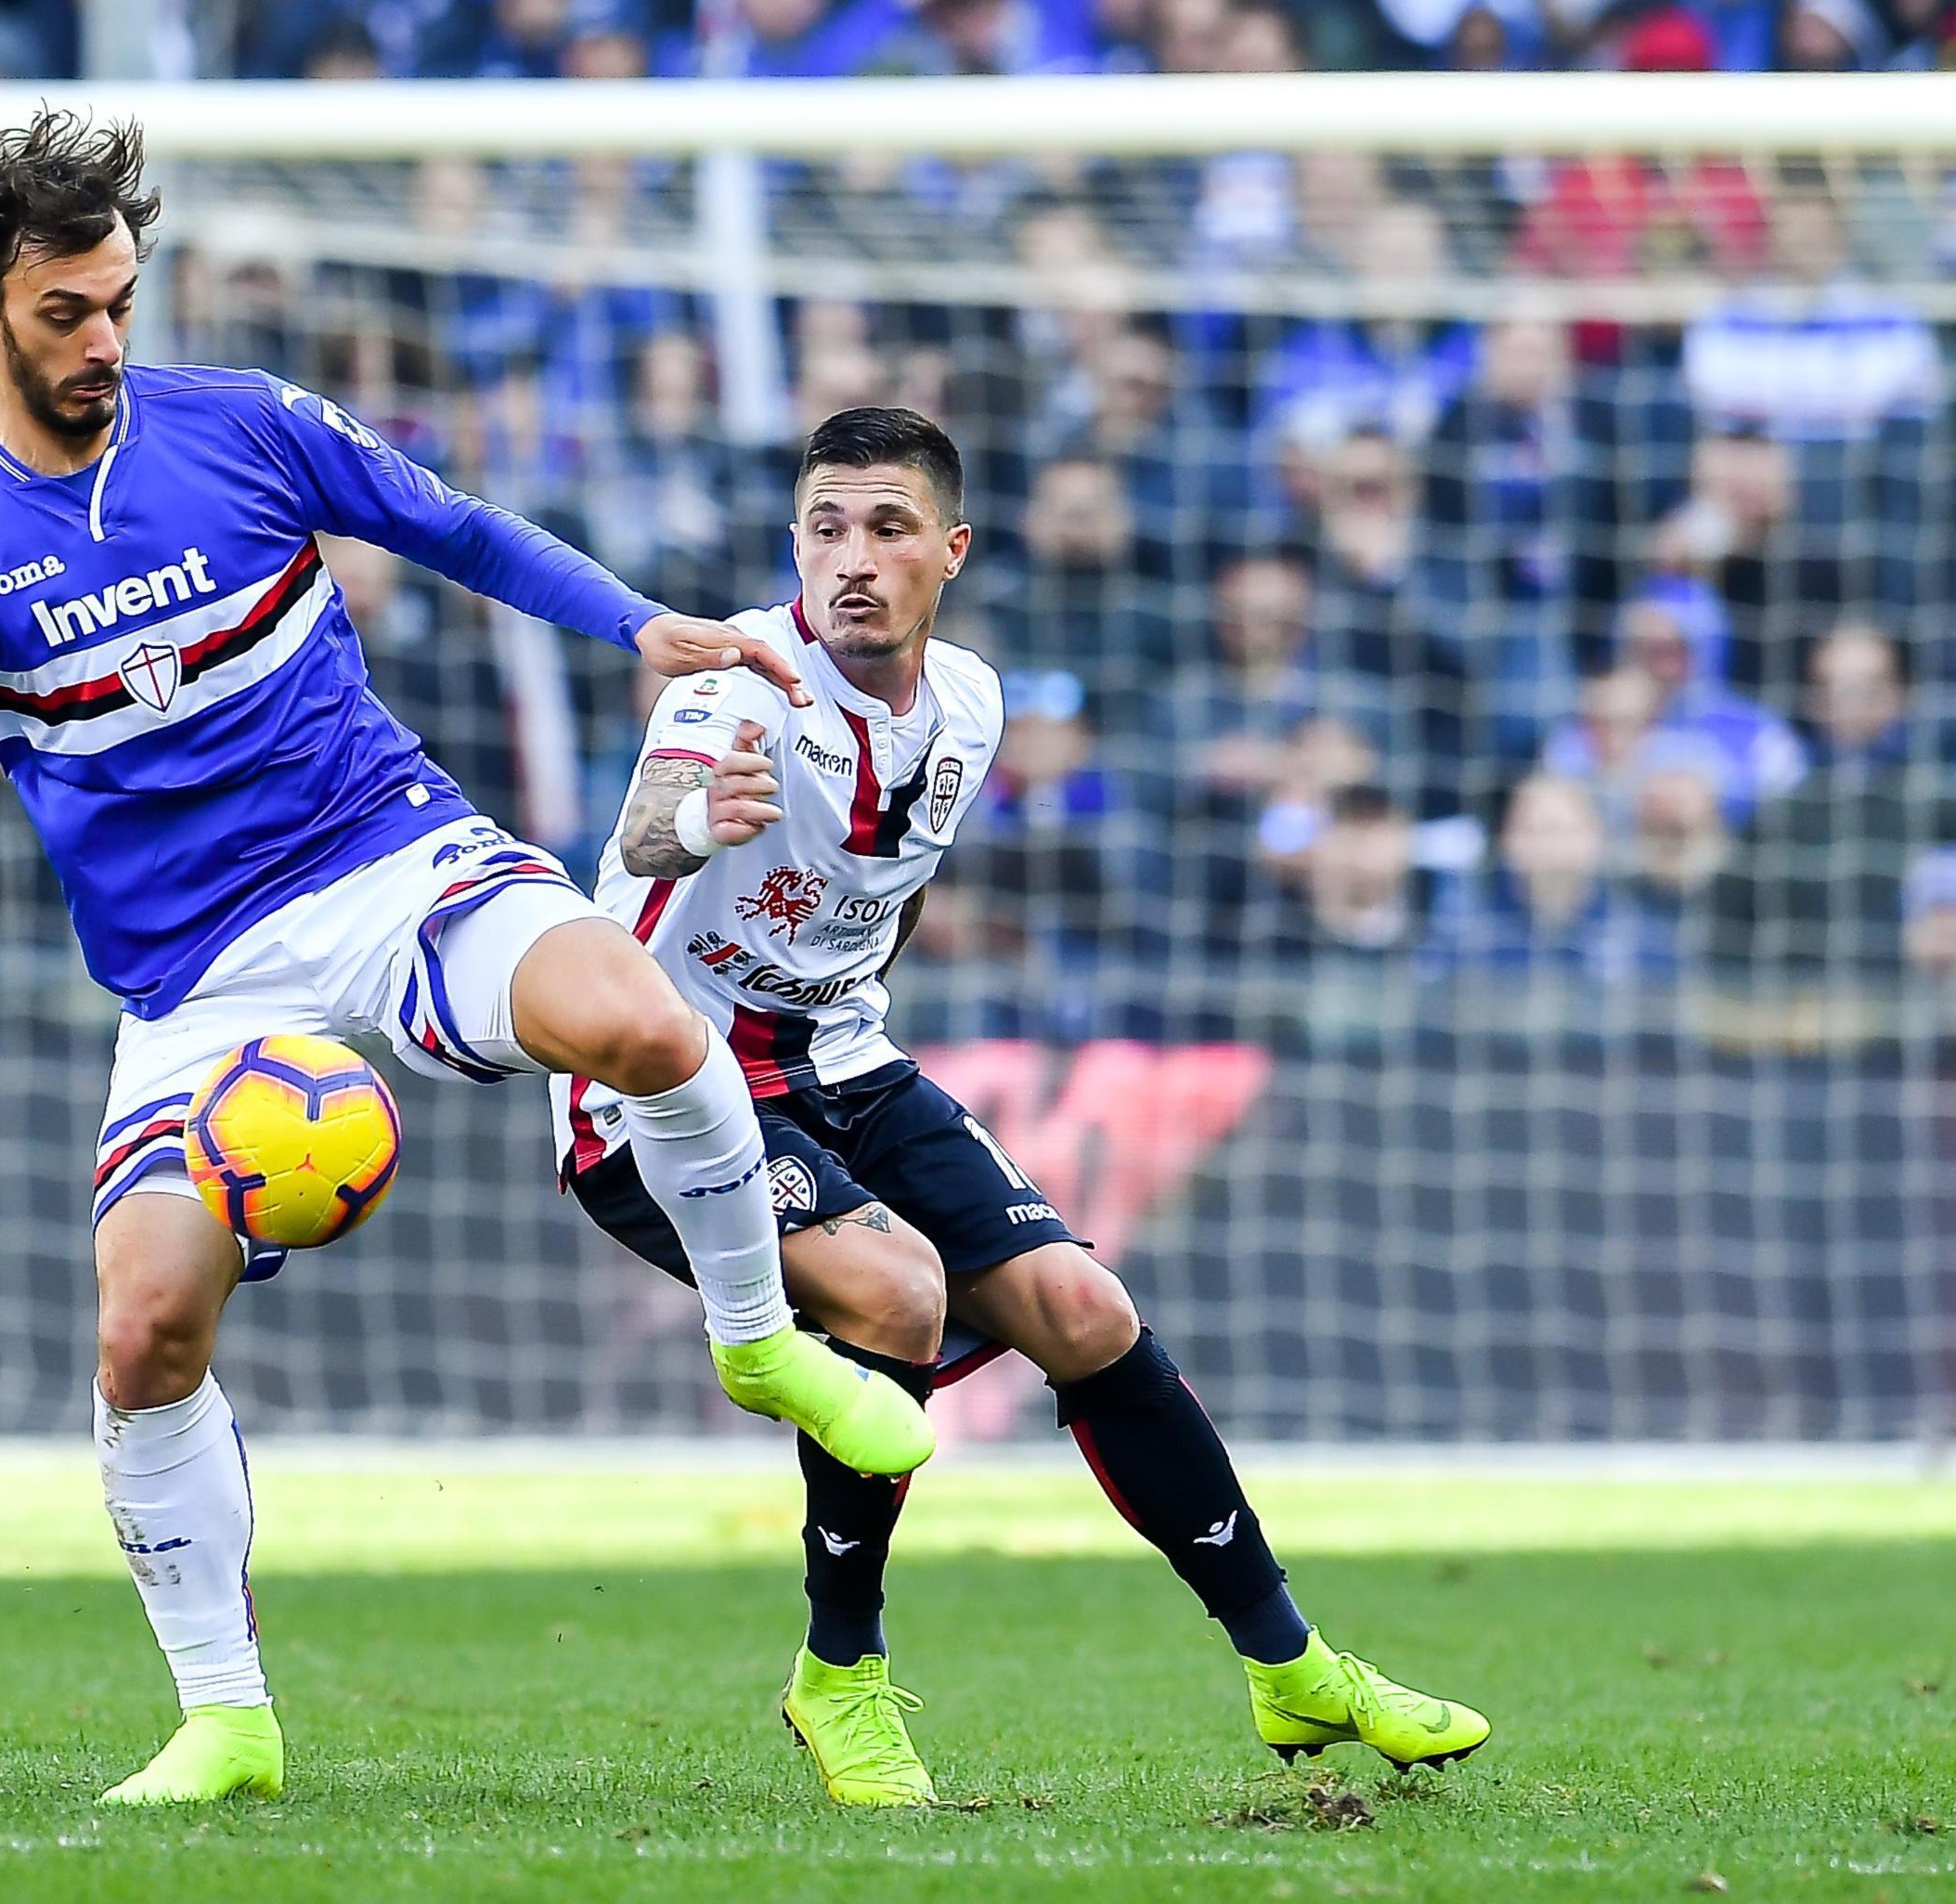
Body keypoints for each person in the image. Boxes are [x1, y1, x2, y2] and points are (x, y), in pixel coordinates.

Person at [0, 110, 935, 1808]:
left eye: (117, 303)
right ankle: (224, 1716)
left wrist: (635, 623)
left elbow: (450, 525)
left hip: (387, 859)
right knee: (147, 1326)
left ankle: (752, 1338)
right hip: (193, 983)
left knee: (643, 1022)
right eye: (64, 313)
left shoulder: (241, 428)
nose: (103, 341)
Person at [555, 406, 1489, 1807]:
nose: (850, 558)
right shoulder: (736, 686)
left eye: (885, 526)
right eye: (825, 527)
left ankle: (1294, 1665)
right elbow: (642, 830)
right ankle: (843, 1680)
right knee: (898, 1296)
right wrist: (691, 828)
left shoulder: (975, 705)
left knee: (1087, 1312)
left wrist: (846, 982)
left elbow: (899, 882)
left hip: (844, 1059)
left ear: (952, 548)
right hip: (663, 1089)